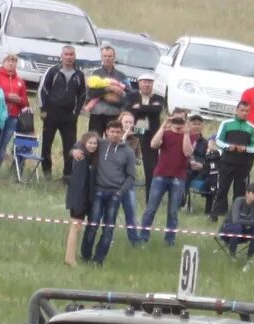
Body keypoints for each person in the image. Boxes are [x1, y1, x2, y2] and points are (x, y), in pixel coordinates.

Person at [84, 121, 139, 263]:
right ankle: (85, 256)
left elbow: (131, 176)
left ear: (121, 133)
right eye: (112, 131)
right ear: (107, 132)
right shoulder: (99, 145)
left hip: (115, 194)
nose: (114, 134)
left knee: (108, 229)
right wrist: (75, 151)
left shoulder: (128, 152)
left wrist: (120, 192)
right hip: (98, 191)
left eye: (117, 132)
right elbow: (82, 144)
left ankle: (99, 260)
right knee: (92, 225)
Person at [38, 46, 88, 179]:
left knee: (70, 146)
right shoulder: (53, 71)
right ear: (62, 56)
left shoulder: (79, 74)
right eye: (66, 54)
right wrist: (43, 109)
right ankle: (47, 173)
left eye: (71, 54)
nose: (69, 57)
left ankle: (67, 174)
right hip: (51, 114)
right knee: (47, 144)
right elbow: (43, 90)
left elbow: (83, 95)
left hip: (69, 116)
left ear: (75, 56)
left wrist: (76, 113)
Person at [148, 110, 193, 243]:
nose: (178, 123)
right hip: (160, 175)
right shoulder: (166, 134)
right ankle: (143, 236)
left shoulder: (189, 136)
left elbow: (187, 153)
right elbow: (153, 145)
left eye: (181, 120)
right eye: (176, 120)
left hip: (178, 177)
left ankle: (169, 240)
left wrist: (186, 132)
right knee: (150, 209)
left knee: (173, 213)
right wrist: (163, 126)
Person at [61, 129, 98, 265]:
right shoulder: (81, 155)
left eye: (95, 143)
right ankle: (70, 259)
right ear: (84, 143)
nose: (93, 145)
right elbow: (79, 181)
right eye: (90, 143)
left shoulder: (92, 157)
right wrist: (73, 151)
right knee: (75, 227)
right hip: (79, 197)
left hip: (87, 197)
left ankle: (71, 257)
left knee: (77, 227)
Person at [220, 183, 254, 260]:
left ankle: (249, 257)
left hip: (243, 230)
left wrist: (252, 222)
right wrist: (252, 222)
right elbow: (235, 220)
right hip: (227, 230)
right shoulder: (239, 201)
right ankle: (232, 255)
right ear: (247, 193)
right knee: (237, 227)